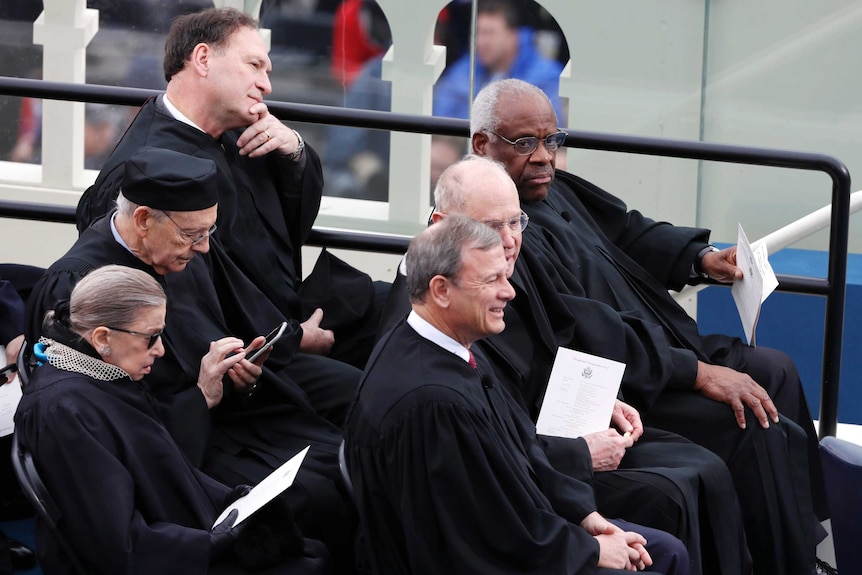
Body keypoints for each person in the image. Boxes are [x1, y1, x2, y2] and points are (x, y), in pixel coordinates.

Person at [472, 78, 824, 574]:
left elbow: (629, 230)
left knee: (777, 370)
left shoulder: (557, 190)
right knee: (753, 426)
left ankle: (807, 538)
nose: (544, 157)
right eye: (525, 143)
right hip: (632, 376)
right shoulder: (504, 232)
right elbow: (585, 330)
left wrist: (700, 258)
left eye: (552, 140)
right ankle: (776, 559)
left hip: (666, 343)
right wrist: (697, 373)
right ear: (482, 146)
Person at [378, 156, 752, 575]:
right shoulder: (432, 389)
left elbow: (513, 420)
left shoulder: (457, 328)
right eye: (489, 229)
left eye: (515, 222)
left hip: (547, 464)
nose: (508, 244)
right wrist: (588, 536)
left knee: (704, 471)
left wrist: (596, 400)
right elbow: (484, 517)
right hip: (523, 515)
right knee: (668, 510)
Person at [27, 148, 356, 573]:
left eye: (209, 231)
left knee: (349, 447)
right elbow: (118, 425)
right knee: (313, 497)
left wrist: (243, 366)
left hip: (224, 410)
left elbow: (240, 314)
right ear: (144, 220)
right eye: (191, 234)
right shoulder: (79, 288)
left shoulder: (185, 246)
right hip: (173, 439)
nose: (203, 247)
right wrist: (201, 395)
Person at [345, 214, 691, 575]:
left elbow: (518, 455)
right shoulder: (433, 402)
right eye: (491, 280)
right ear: (441, 290)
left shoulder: (447, 349)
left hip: (526, 533)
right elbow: (483, 536)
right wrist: (590, 550)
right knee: (662, 559)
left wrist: (586, 517)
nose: (509, 292)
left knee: (665, 550)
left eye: (506, 277)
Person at [76, 6, 386, 375]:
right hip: (246, 345)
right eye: (254, 66)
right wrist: (289, 338)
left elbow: (289, 228)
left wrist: (295, 153)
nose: (266, 85)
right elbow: (185, 303)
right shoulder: (147, 167)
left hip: (283, 306)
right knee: (355, 392)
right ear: (204, 59)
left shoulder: (242, 132)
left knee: (403, 303)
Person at [16, 265, 329, 574]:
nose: (161, 350)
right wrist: (221, 538)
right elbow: (119, 545)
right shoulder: (62, 413)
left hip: (177, 535)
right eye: (151, 337)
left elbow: (165, 467)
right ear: (101, 338)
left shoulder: (102, 377)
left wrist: (238, 503)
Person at [432, 0, 564, 123]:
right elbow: (443, 123)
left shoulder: (547, 76)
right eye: (477, 33)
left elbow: (551, 130)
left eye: (489, 33)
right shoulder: (463, 70)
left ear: (512, 35)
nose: (481, 42)